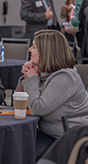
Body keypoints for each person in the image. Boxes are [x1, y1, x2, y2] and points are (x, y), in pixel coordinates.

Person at [15, 29, 88, 160]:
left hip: (66, 138)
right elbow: (19, 102)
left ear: (46, 51)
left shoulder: (65, 77)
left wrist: (31, 79)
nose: (30, 50)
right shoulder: (44, 73)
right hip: (47, 133)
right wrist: (26, 77)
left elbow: (37, 108)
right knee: (15, 143)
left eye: (34, 47)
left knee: (23, 154)